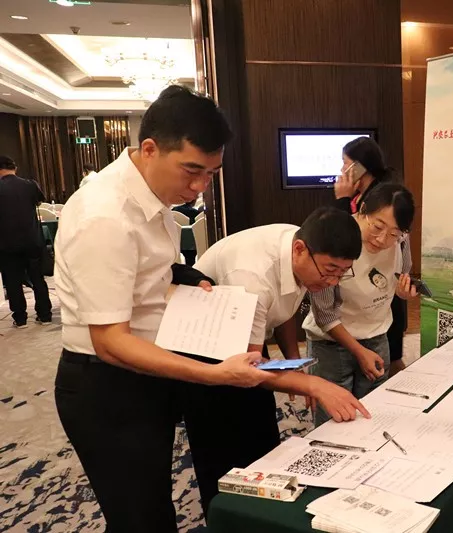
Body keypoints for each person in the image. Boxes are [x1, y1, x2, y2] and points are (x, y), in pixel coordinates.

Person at [53, 86, 356, 533]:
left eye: (210, 174)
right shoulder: (105, 216)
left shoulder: (155, 200)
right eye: (191, 171)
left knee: (154, 503)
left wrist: (185, 275)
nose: (198, 187)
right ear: (150, 149)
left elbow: (150, 274)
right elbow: (110, 342)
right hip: (106, 384)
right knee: (141, 517)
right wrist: (215, 374)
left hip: (149, 369)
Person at [191, 206, 371, 506]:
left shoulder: (300, 250)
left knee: (262, 434)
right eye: (329, 271)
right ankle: (225, 513)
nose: (333, 282)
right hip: (205, 346)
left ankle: (262, 507)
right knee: (223, 449)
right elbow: (250, 370)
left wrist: (294, 364)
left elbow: (284, 308)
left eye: (342, 272)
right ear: (299, 250)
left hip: (248, 336)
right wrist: (315, 385)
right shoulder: (252, 277)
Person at [306, 183, 417, 426]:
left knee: (373, 414)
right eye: (377, 226)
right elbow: (324, 314)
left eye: (393, 234)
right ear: (363, 210)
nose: (382, 239)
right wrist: (358, 351)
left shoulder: (400, 240)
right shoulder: (337, 237)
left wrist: (402, 292)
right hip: (332, 341)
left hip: (376, 335)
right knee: (334, 418)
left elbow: (401, 275)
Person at [333, 137, 408, 376]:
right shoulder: (363, 195)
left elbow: (340, 232)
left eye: (345, 163)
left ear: (359, 166)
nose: (342, 170)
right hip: (362, 298)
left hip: (380, 293)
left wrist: (342, 200)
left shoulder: (381, 198)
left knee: (386, 363)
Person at [0, 155, 52, 328]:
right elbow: (39, 201)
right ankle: (45, 315)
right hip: (32, 240)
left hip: (7, 243)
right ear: (14, 168)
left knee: (13, 281)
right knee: (38, 278)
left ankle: (20, 319)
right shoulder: (30, 185)